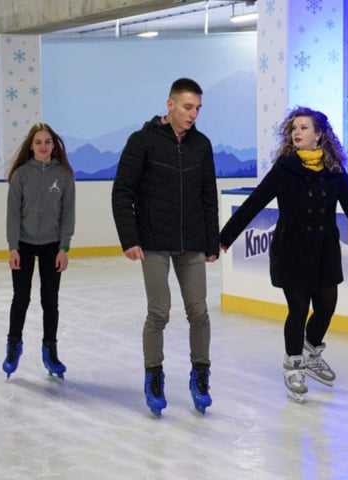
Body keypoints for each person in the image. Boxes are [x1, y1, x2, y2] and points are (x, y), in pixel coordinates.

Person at [219, 107, 348, 402]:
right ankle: (293, 364)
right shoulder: (285, 168)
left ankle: (311, 348)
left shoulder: (334, 171)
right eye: (294, 128)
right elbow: (255, 203)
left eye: (304, 128)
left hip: (324, 251)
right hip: (291, 249)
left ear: (319, 134)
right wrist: (226, 237)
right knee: (298, 307)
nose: (297, 133)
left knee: (327, 305)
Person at [112, 78, 220, 416]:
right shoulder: (142, 141)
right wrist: (130, 238)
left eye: (198, 108)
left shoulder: (201, 145)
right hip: (154, 240)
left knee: (199, 311)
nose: (193, 114)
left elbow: (208, 196)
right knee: (159, 311)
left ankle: (200, 376)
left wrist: (211, 240)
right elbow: (122, 192)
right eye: (188, 107)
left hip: (191, 242)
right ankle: (153, 376)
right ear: (170, 104)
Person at [3, 122, 76, 380]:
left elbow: (68, 214)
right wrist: (13, 247)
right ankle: (13, 346)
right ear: (31, 147)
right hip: (23, 243)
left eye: (47, 142)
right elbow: (12, 215)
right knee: (20, 298)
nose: (43, 146)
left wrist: (64, 247)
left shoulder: (64, 175)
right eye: (38, 142)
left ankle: (50, 350)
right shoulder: (21, 175)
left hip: (52, 245)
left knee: (50, 300)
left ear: (53, 145)